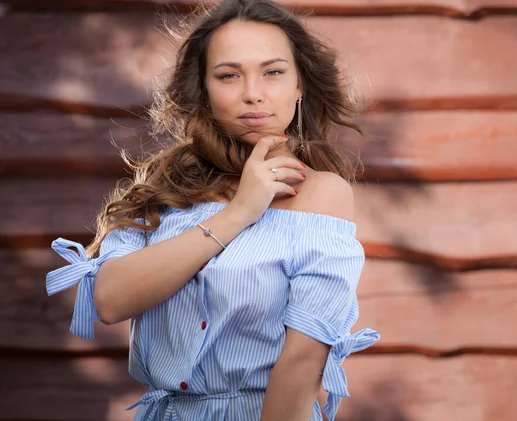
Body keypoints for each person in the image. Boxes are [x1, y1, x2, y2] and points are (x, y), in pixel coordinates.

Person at [46, 0, 380, 420]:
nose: (252, 93)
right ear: (203, 88)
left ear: (301, 86)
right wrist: (239, 212)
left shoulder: (320, 194)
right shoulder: (162, 189)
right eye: (228, 76)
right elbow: (110, 302)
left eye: (273, 72)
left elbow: (303, 364)